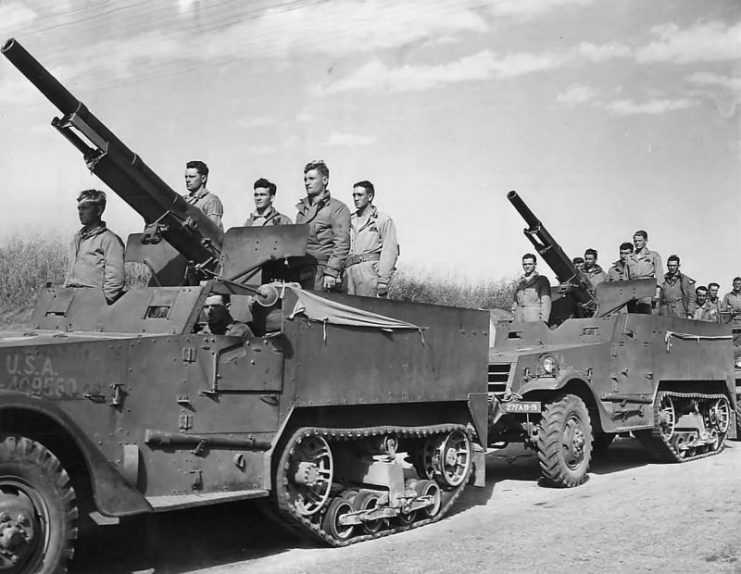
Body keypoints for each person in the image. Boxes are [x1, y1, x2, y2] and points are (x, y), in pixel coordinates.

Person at [294, 160, 351, 292]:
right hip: (300, 271)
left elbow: (342, 243)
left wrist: (331, 272)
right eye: (305, 179)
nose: (307, 183)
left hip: (322, 272)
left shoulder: (338, 209)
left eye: (312, 178)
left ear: (325, 180)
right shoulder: (302, 211)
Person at [64, 189, 125, 304]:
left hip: (92, 300)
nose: (80, 212)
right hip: (70, 298)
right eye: (79, 208)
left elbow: (116, 278)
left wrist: (103, 301)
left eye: (85, 208)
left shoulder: (109, 239)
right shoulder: (76, 239)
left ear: (98, 210)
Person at [345, 180, 399, 297]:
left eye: (360, 195)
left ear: (370, 196)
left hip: (370, 273)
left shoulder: (383, 220)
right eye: (354, 195)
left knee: (368, 310)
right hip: (349, 272)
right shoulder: (349, 220)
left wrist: (383, 280)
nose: (356, 198)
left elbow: (390, 251)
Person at [628, 230, 663, 313]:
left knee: (646, 314)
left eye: (640, 241)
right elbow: (626, 276)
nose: (637, 243)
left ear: (646, 241)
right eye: (635, 241)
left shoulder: (653, 255)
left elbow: (659, 274)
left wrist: (657, 292)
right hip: (632, 290)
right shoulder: (630, 257)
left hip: (647, 289)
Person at [184, 160, 224, 231]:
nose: (187, 180)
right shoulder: (184, 200)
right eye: (186, 177)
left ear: (203, 179)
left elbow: (213, 231)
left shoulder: (212, 201)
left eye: (192, 177)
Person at [511, 253, 551, 322]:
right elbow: (515, 302)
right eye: (525, 264)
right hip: (519, 318)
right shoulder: (519, 281)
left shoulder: (541, 280)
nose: (527, 266)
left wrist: (543, 320)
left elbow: (545, 302)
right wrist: (513, 317)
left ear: (535, 265)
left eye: (530, 264)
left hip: (534, 319)